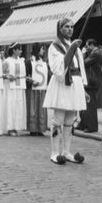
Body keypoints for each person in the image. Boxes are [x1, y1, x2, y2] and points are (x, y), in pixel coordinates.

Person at [43, 18, 88, 165]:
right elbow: (57, 69)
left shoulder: (77, 48)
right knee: (58, 120)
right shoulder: (54, 47)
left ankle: (66, 151)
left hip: (75, 83)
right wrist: (71, 50)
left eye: (72, 27)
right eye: (66, 27)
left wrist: (83, 87)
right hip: (63, 84)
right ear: (60, 28)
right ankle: (55, 152)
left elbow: (80, 68)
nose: (70, 29)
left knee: (70, 121)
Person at [77, 39, 102, 133]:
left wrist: (83, 53)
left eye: (87, 46)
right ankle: (83, 124)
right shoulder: (96, 52)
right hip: (91, 81)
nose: (86, 48)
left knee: (90, 105)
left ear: (92, 45)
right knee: (86, 104)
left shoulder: (96, 53)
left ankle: (92, 126)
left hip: (92, 82)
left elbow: (84, 63)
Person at [3, 43, 27, 136]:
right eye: (19, 49)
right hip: (11, 88)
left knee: (18, 106)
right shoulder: (7, 61)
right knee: (11, 106)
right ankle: (10, 128)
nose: (21, 51)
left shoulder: (22, 61)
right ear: (14, 50)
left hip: (20, 87)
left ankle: (16, 126)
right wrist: (8, 76)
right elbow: (1, 74)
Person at [25, 43, 49, 136]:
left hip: (41, 89)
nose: (43, 51)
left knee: (41, 108)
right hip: (33, 89)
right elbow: (26, 75)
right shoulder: (29, 61)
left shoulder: (43, 62)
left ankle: (40, 128)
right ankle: (33, 129)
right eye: (42, 49)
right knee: (33, 108)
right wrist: (31, 81)